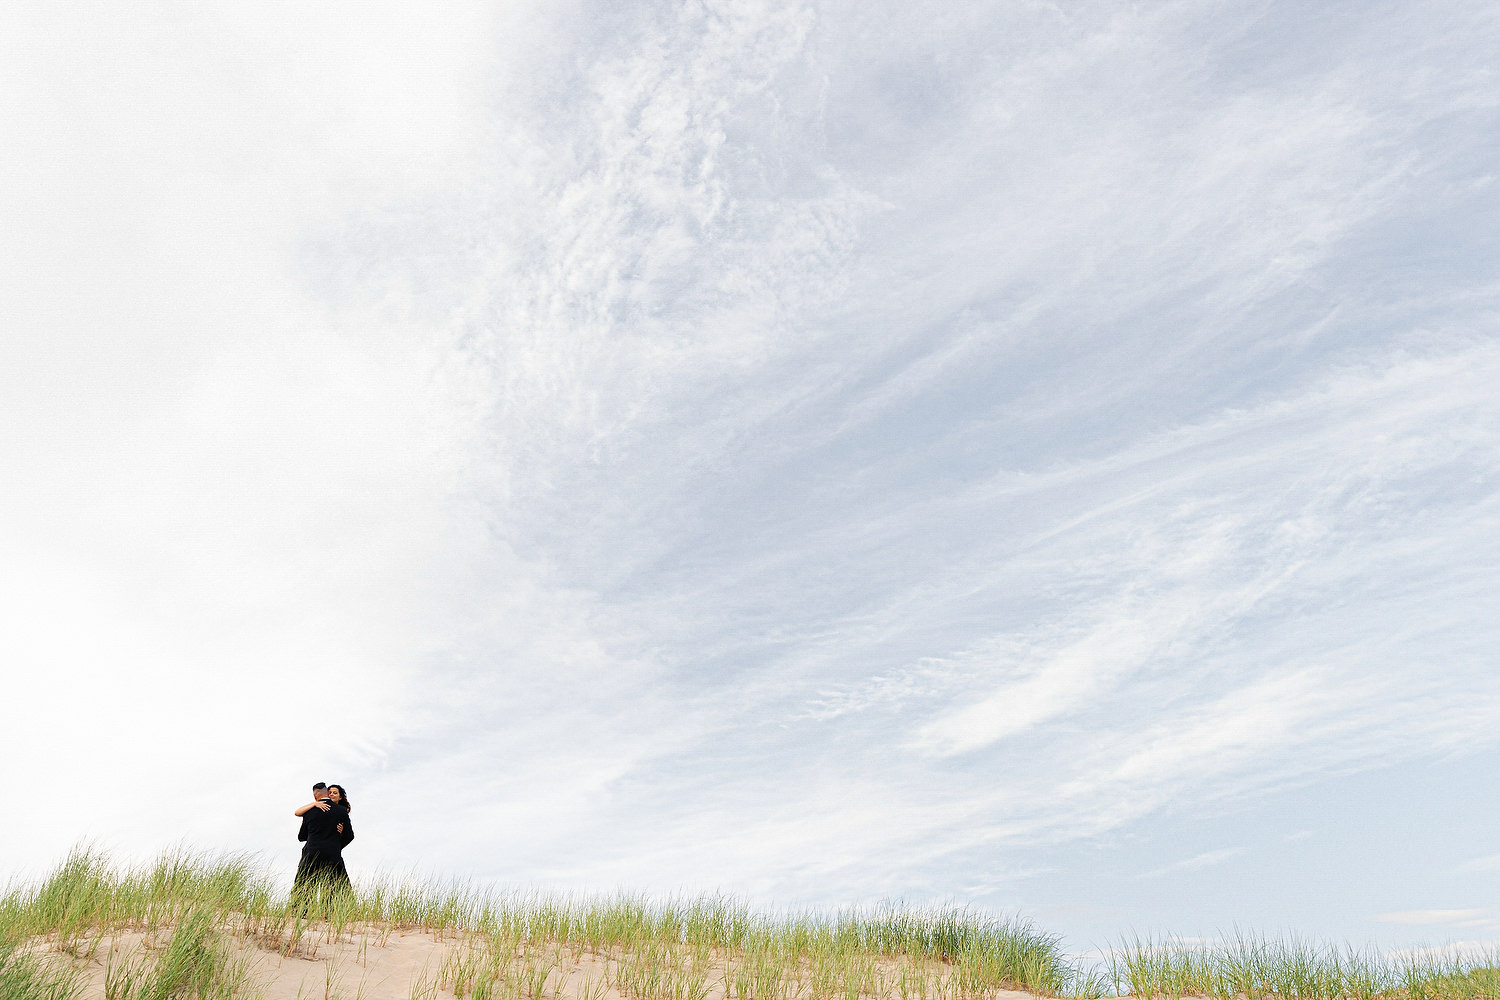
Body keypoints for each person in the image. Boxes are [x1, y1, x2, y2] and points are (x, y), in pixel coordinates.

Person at [292, 781, 349, 898]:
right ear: (327, 793)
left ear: (315, 796)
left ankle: (302, 912)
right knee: (334, 885)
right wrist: (338, 842)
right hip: (333, 853)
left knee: (305, 883)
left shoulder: (309, 811)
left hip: (312, 852)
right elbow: (350, 835)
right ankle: (333, 913)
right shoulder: (342, 811)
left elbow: (301, 836)